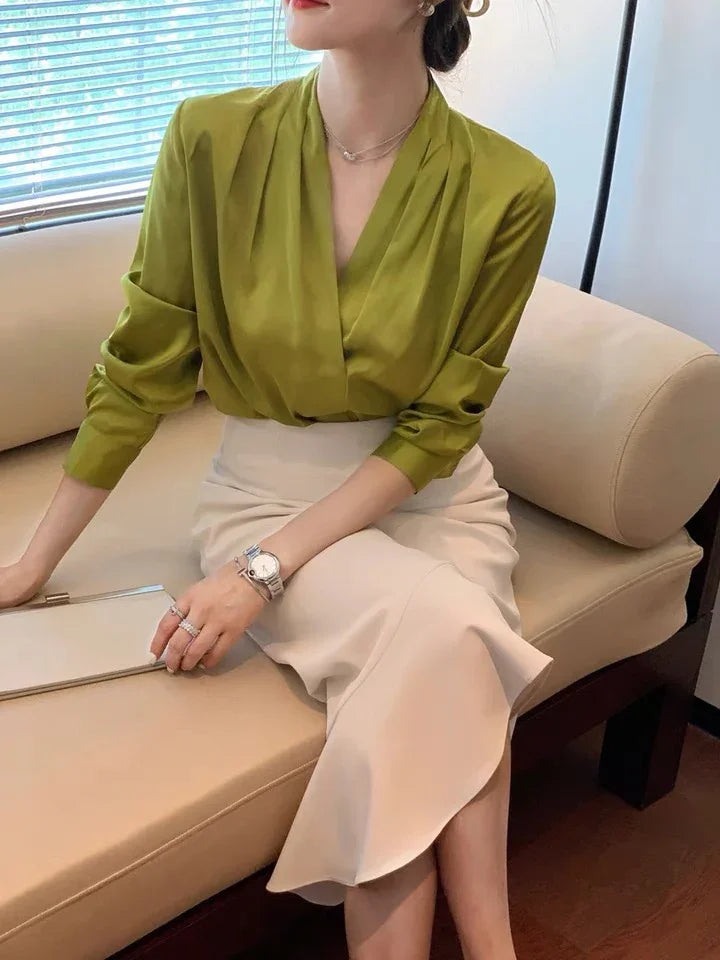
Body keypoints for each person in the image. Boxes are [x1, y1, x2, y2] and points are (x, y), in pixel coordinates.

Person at [2, 0, 558, 957]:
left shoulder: (511, 187)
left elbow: (440, 425)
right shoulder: (209, 140)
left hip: (431, 497)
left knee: (425, 672)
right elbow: (140, 373)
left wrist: (261, 574)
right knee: (453, 633)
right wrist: (28, 563)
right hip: (263, 492)